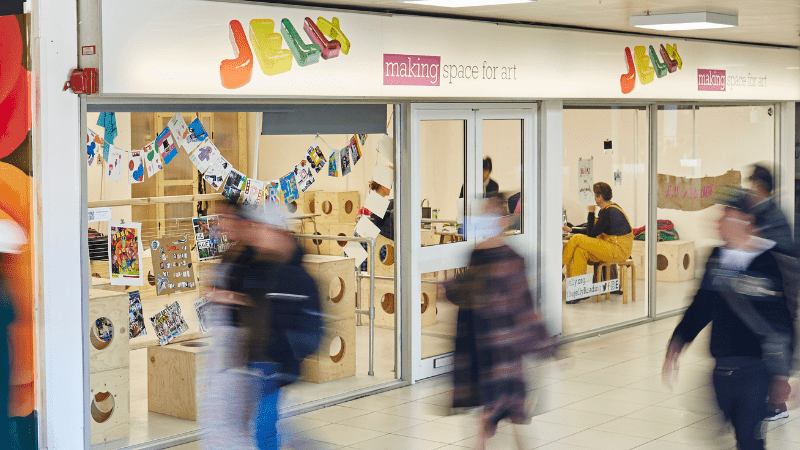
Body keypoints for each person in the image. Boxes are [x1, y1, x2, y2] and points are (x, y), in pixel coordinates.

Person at [663, 187, 795, 450]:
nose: (718, 221)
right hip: (720, 370)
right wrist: (676, 343)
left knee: (749, 439)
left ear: (745, 220)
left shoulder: (768, 262)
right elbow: (700, 306)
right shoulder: (716, 258)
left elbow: (784, 322)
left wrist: (782, 377)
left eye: (726, 214)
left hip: (756, 371)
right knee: (729, 435)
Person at [201, 203, 322, 449]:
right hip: (258, 358)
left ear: (279, 232)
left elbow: (309, 324)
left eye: (264, 230)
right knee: (264, 423)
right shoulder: (255, 260)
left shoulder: (291, 273)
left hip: (274, 361)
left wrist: (287, 353)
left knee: (265, 426)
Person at [445, 194, 555, 450]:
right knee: (489, 413)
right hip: (478, 346)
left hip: (504, 349)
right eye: (482, 215)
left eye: (491, 215)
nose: (486, 221)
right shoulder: (475, 254)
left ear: (504, 221)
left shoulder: (512, 258)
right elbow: (466, 292)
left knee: (509, 412)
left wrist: (548, 344)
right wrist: (448, 288)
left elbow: (525, 306)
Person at [747, 164, 800, 421]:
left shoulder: (771, 215)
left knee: (775, 345)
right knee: (769, 345)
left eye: (752, 186)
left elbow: (772, 251)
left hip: (779, 294)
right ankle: (771, 401)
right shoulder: (768, 213)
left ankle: (777, 405)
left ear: (759, 187)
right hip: (775, 292)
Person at [561, 182, 633, 304]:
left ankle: (558, 269)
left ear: (599, 197)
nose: (593, 199)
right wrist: (572, 229)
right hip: (612, 247)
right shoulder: (609, 209)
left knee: (577, 239)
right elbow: (594, 230)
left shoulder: (608, 212)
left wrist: (590, 212)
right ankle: (577, 292)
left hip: (618, 249)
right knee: (580, 251)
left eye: (594, 195)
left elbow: (591, 234)